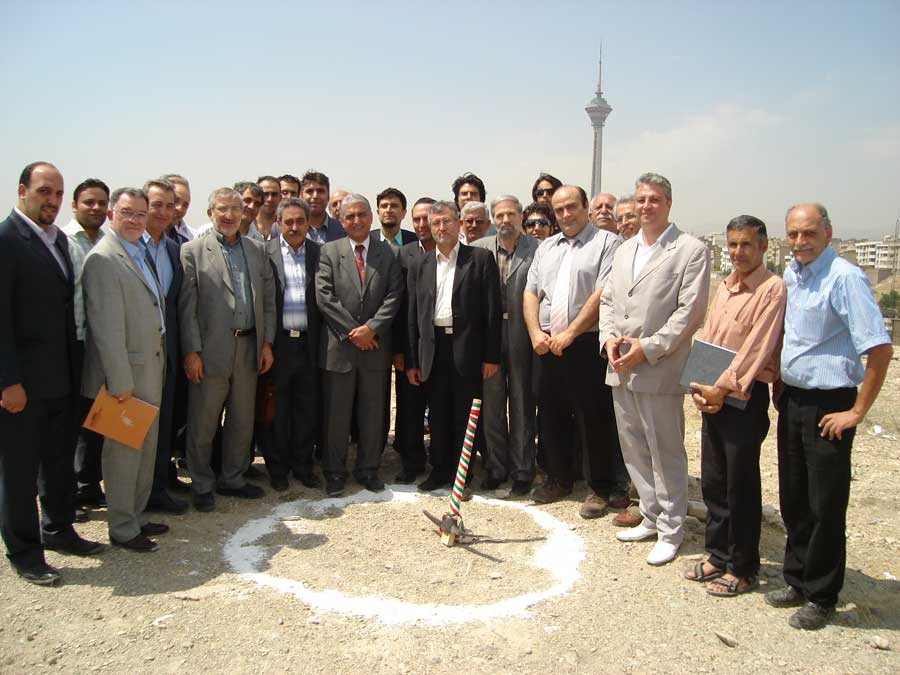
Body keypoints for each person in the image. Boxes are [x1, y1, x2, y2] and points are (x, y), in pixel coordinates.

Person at [764, 203, 893, 630]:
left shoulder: (845, 278)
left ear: (828, 233)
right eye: (793, 234)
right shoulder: (794, 275)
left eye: (808, 233)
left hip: (830, 404)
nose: (800, 242)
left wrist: (856, 411)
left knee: (825, 503)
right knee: (794, 497)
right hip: (794, 400)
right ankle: (797, 579)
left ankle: (822, 595)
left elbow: (879, 349)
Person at [1, 162, 104, 586]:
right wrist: (8, 381)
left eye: (58, 194)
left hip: (61, 377)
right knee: (19, 472)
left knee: (58, 463)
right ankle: (25, 552)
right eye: (45, 191)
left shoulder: (57, 240)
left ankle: (59, 529)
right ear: (22, 190)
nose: (52, 200)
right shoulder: (7, 240)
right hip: (23, 385)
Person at [599, 172, 710, 566]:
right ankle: (650, 514)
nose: (646, 206)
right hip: (619, 365)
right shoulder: (624, 250)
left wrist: (647, 348)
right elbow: (608, 301)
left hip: (658, 368)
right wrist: (608, 339)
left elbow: (689, 313)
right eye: (641, 199)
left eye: (654, 200)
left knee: (665, 451)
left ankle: (671, 527)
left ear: (668, 204)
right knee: (633, 447)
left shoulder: (690, 250)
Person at [684, 215, 786, 597]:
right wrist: (698, 387)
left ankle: (743, 567)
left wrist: (721, 389)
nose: (738, 252)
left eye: (746, 244)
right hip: (712, 394)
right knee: (713, 480)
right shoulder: (727, 286)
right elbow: (709, 336)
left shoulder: (772, 289)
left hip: (744, 395)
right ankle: (718, 554)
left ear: (763, 246)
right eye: (732, 245)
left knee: (739, 484)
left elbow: (756, 349)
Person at [524, 185, 626, 518]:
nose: (566, 214)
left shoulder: (607, 243)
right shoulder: (546, 247)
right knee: (550, 414)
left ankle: (599, 487)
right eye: (559, 209)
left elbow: (603, 293)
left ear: (586, 207)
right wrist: (535, 332)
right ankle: (558, 478)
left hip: (585, 342)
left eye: (572, 207)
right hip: (547, 343)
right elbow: (531, 292)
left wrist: (571, 333)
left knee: (592, 416)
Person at [82, 187, 169, 551]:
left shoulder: (137, 251)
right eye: (127, 212)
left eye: (140, 214)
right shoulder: (103, 258)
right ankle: (122, 527)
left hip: (150, 366)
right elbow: (106, 328)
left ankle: (136, 514)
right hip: (125, 375)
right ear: (111, 215)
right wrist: (119, 381)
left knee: (145, 450)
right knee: (122, 452)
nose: (134, 220)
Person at [179, 188, 276, 512]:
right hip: (210, 351)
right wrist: (191, 351)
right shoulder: (193, 251)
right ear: (211, 213)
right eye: (222, 209)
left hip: (249, 347)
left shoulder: (256, 250)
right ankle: (201, 483)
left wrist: (266, 343)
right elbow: (187, 308)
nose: (230, 214)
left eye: (235, 208)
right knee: (204, 422)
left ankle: (233, 478)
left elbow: (268, 301)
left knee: (241, 419)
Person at [406, 201, 501, 492]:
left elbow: (492, 311)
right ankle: (439, 471)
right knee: (437, 414)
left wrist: (491, 356)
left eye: (447, 221)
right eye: (435, 223)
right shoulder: (420, 264)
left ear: (458, 223)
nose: (441, 228)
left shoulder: (480, 259)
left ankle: (463, 476)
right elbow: (412, 314)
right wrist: (413, 360)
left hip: (467, 348)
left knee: (465, 415)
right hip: (433, 349)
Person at [315, 194, 402, 496]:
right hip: (340, 348)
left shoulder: (387, 252)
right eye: (349, 216)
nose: (356, 221)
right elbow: (325, 297)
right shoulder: (329, 252)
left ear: (371, 217)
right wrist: (355, 332)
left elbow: (394, 295)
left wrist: (372, 329)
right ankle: (334, 472)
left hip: (375, 348)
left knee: (372, 413)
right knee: (336, 416)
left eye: (362, 214)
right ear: (341, 221)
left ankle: (368, 469)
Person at [472, 196, 539, 495]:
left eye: (511, 214)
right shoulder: (480, 249)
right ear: (492, 219)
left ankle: (523, 469)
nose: (505, 220)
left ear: (521, 216)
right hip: (489, 337)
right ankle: (496, 467)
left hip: (524, 334)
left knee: (522, 402)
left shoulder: (538, 249)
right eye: (499, 215)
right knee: (492, 405)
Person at [264, 198, 322, 491]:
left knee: (306, 409)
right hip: (279, 344)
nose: (295, 227)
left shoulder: (319, 253)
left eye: (300, 221)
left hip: (310, 344)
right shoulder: (265, 253)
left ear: (308, 223)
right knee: (277, 411)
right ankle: (277, 468)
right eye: (289, 222)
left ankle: (303, 466)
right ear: (278, 223)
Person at [140, 179, 188, 516]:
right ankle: (131, 500)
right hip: (138, 356)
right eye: (156, 205)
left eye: (169, 206)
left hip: (167, 354)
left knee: (162, 426)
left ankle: (156, 490)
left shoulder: (173, 250)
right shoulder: (128, 247)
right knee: (133, 431)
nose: (163, 212)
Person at [63, 178, 110, 510]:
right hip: (72, 344)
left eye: (101, 203)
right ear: (74, 205)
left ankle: (89, 484)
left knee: (99, 419)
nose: (96, 208)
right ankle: (67, 493)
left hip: (101, 345)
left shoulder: (109, 242)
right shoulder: (62, 242)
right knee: (68, 423)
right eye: (89, 202)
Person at [392, 197, 436, 483]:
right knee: (410, 408)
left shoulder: (451, 253)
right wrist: (400, 351)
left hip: (442, 345)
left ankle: (442, 461)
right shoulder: (404, 254)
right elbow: (398, 306)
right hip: (411, 344)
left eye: (426, 219)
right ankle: (411, 463)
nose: (421, 225)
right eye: (417, 219)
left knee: (441, 408)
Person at [302, 170, 346, 244]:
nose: (315, 196)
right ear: (301, 196)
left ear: (328, 196)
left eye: (320, 191)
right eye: (310, 191)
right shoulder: (292, 229)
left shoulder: (344, 230)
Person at [161, 174, 195, 243]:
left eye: (185, 205)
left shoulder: (193, 238)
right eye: (176, 201)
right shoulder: (138, 234)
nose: (180, 208)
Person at [255, 175, 282, 241]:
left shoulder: (285, 225)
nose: (270, 199)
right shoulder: (247, 225)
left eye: (274, 195)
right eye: (265, 194)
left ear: (280, 197)